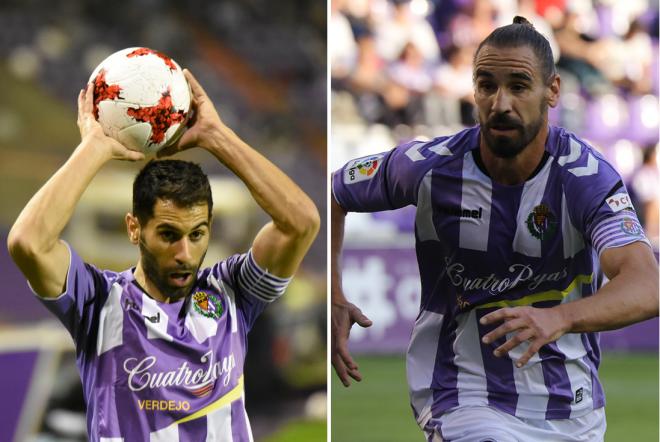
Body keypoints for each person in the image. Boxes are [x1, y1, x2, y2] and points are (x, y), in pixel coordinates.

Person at [331, 16, 658, 442]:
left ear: (553, 90)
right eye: (487, 85)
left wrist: (560, 318)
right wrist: (334, 294)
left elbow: (647, 284)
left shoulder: (584, 177)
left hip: (572, 411)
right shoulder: (430, 167)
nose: (500, 103)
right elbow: (336, 190)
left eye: (519, 87)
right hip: (463, 395)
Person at [7, 69, 320, 441]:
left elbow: (301, 223)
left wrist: (217, 137)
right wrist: (93, 148)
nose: (185, 253)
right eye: (169, 235)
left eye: (197, 234)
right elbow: (28, 243)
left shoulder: (233, 293)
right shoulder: (98, 301)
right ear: (134, 228)